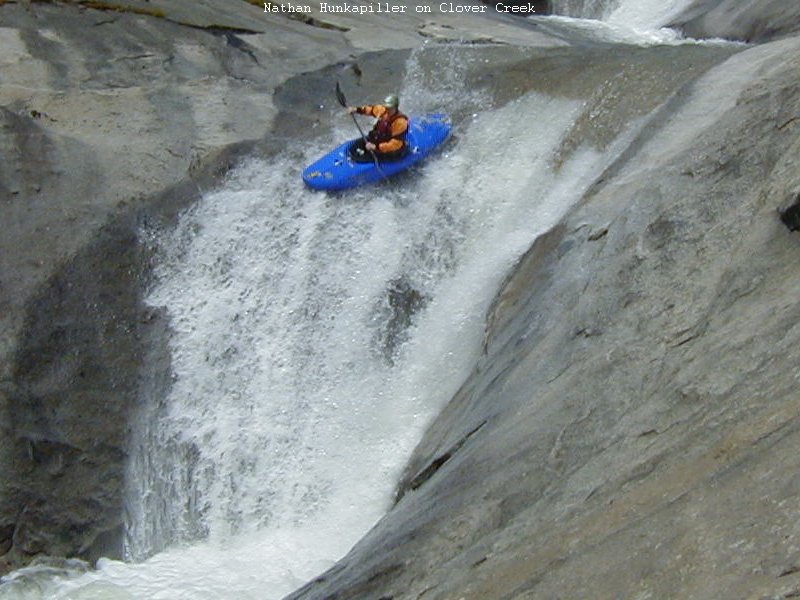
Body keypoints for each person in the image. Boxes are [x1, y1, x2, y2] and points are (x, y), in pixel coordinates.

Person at [347, 94, 409, 161]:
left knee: (363, 158)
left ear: (395, 107)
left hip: (391, 150)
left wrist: (376, 147)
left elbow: (395, 144)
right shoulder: (383, 111)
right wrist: (356, 109)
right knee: (354, 147)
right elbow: (371, 109)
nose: (387, 109)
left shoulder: (400, 123)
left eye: (390, 108)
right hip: (378, 140)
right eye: (386, 107)